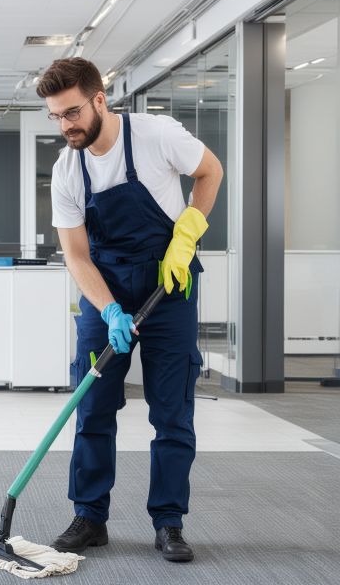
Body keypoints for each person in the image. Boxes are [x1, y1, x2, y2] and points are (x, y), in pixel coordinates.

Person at [36, 58, 222, 562]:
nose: (65, 125)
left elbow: (210, 171)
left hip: (169, 284)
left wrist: (188, 235)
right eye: (55, 116)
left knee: (172, 411)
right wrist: (111, 311)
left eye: (72, 111)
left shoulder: (156, 135)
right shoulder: (67, 169)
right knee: (93, 407)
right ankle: (90, 517)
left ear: (100, 99)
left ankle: (168, 522)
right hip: (105, 290)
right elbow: (76, 255)